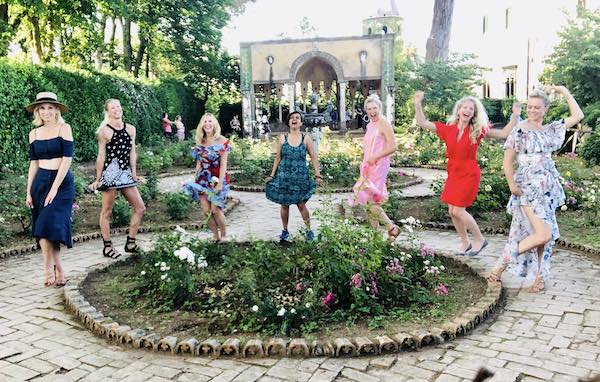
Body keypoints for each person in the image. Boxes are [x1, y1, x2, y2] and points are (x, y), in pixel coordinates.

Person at [486, 86, 583, 292]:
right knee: (543, 234)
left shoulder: (551, 129)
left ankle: (539, 277)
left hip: (547, 188)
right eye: (529, 107)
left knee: (543, 238)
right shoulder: (519, 130)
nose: (532, 110)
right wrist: (512, 185)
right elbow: (508, 160)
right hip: (527, 188)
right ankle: (499, 266)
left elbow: (578, 115)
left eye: (537, 107)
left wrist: (564, 92)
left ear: (545, 109)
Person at [414, 91, 520, 255]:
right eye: (465, 107)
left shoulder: (476, 130)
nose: (468, 110)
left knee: (458, 211)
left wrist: (515, 116)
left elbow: (503, 134)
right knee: (451, 211)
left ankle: (480, 239)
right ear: (459, 110)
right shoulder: (448, 129)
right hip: (453, 173)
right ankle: (465, 242)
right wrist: (417, 103)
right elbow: (422, 122)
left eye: (471, 109)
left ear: (474, 114)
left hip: (469, 173)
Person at [26, 92, 75, 287]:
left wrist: (54, 188)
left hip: (61, 184)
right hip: (40, 183)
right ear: (38, 111)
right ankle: (54, 269)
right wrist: (28, 191)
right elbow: (33, 164)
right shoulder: (34, 133)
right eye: (43, 108)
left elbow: (67, 160)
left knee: (50, 225)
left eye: (51, 107)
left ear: (57, 110)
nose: (47, 111)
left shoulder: (65, 128)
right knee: (43, 229)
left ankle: (52, 268)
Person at [89, 99, 146, 258]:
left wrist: (134, 174)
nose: (117, 110)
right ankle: (107, 247)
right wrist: (98, 179)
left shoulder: (131, 129)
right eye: (113, 108)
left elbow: (132, 153)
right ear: (107, 112)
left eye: (118, 107)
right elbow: (101, 156)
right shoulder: (104, 131)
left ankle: (131, 242)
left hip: (125, 174)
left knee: (140, 207)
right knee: (106, 211)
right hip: (110, 173)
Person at [348, 94, 400, 242]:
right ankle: (375, 238)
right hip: (368, 166)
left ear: (380, 108)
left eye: (375, 108)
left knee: (371, 201)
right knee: (368, 202)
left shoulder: (384, 123)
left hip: (379, 166)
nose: (372, 111)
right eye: (369, 109)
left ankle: (391, 227)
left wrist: (376, 157)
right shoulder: (371, 125)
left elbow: (393, 147)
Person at [265, 111, 322, 242]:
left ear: (301, 122)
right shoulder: (282, 137)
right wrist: (272, 175)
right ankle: (285, 231)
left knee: (301, 205)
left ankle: (309, 231)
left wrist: (318, 175)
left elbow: (313, 157)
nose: (294, 119)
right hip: (284, 177)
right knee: (284, 205)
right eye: (292, 118)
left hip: (300, 178)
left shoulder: (305, 137)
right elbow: (278, 158)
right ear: (289, 122)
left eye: (297, 118)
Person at [183, 113, 231, 242]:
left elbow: (223, 164)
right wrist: (195, 181)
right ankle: (215, 235)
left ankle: (224, 235)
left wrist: (220, 183)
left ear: (214, 123)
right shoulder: (200, 142)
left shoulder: (222, 141)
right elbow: (198, 164)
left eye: (210, 121)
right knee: (206, 211)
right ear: (202, 125)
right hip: (202, 180)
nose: (207, 124)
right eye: (205, 122)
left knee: (215, 209)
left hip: (217, 179)